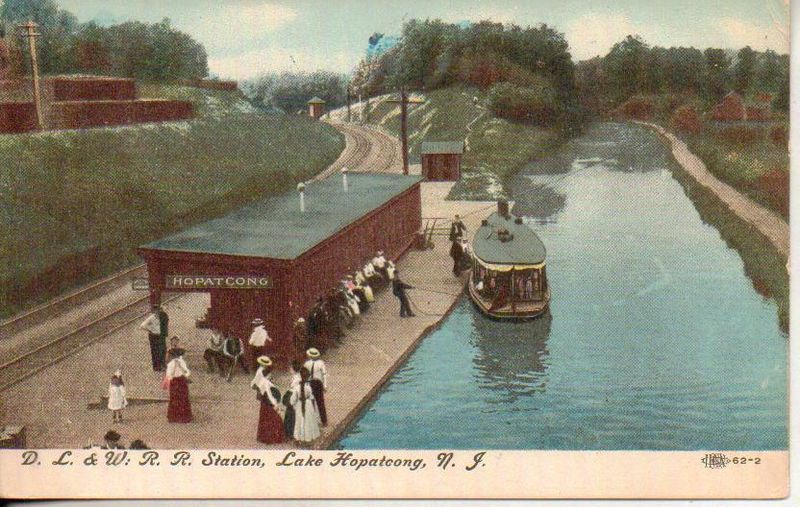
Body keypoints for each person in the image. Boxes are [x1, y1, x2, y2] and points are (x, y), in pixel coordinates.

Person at [251, 356, 284, 445]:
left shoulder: (260, 373)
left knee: (264, 416)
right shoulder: (265, 380)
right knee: (271, 417)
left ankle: (263, 437)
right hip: (267, 399)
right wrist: (275, 404)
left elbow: (253, 383)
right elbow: (269, 394)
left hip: (263, 398)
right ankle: (269, 438)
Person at [290, 367, 321, 444]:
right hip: (308, 404)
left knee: (299, 421)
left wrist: (293, 404)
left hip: (300, 404)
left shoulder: (296, 388)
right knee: (308, 421)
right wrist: (313, 408)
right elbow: (311, 397)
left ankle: (299, 438)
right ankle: (308, 438)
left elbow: (292, 400)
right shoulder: (308, 387)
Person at [166, 348, 192, 423]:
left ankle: (184, 417)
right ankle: (175, 417)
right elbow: (169, 375)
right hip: (175, 382)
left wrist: (184, 374)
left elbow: (187, 371)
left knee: (183, 398)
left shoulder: (182, 362)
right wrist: (173, 376)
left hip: (181, 381)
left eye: (177, 356)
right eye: (175, 356)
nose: (176, 358)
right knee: (175, 398)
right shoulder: (171, 364)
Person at [303, 348, 328, 426]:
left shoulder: (306, 364)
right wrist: (325, 385)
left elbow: (304, 374)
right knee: (320, 402)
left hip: (310, 383)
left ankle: (312, 421)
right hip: (318, 383)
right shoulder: (321, 363)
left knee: (311, 402)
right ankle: (324, 421)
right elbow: (324, 374)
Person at [139, 306, 165, 371]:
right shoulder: (151, 318)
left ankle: (162, 365)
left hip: (160, 336)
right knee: (155, 351)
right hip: (153, 336)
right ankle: (156, 367)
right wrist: (151, 330)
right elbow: (142, 325)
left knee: (162, 350)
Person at [282, 361, 302, 440]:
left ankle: (290, 433)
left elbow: (293, 388)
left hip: (293, 396)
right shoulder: (296, 376)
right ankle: (289, 433)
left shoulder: (297, 378)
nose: (289, 369)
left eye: (290, 368)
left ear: (293, 369)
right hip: (292, 395)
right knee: (290, 415)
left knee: (291, 415)